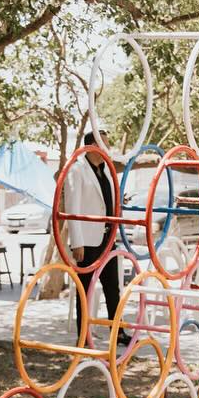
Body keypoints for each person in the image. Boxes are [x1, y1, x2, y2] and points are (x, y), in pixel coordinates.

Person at [64, 130, 124, 340]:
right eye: (103, 144)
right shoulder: (77, 170)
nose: (107, 149)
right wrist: (77, 242)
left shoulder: (106, 170)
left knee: (112, 288)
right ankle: (84, 334)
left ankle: (118, 331)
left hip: (108, 237)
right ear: (91, 146)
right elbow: (73, 207)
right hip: (88, 240)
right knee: (85, 290)